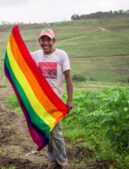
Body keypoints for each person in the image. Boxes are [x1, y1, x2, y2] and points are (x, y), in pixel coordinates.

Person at [30, 28, 74, 169]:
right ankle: (53, 161)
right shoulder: (36, 55)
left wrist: (70, 100)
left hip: (56, 102)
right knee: (47, 131)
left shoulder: (61, 55)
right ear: (39, 41)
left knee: (56, 132)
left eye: (49, 39)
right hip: (41, 103)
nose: (46, 43)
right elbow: (20, 57)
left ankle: (63, 161)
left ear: (54, 41)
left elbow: (68, 78)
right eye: (43, 39)